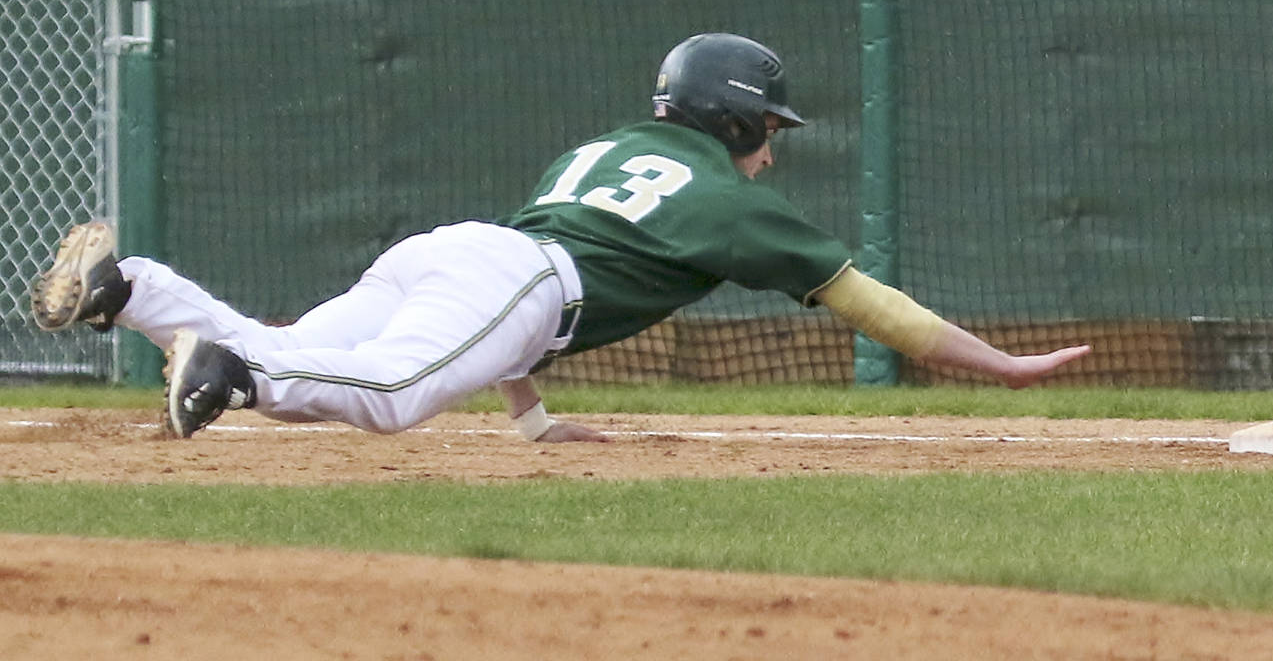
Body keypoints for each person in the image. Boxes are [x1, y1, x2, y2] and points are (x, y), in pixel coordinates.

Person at [31, 33, 1091, 441]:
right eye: (766, 127)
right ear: (732, 120)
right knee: (390, 397)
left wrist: (534, 422)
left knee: (315, 349)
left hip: (463, 256)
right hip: (516, 277)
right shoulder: (726, 197)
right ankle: (226, 369)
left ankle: (134, 291)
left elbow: (515, 322)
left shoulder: (612, 145)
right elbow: (878, 309)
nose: (770, 147)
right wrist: (1002, 363)